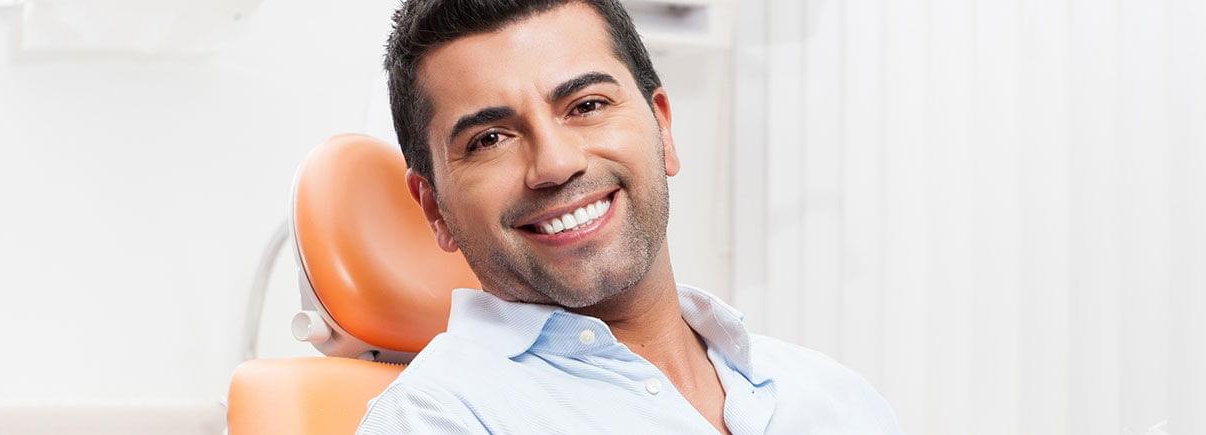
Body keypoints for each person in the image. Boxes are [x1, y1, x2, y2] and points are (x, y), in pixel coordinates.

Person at [359, 0, 901, 433]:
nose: (555, 164)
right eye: (490, 139)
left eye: (587, 106)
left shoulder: (833, 397)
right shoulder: (435, 419)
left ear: (662, 128)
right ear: (436, 209)